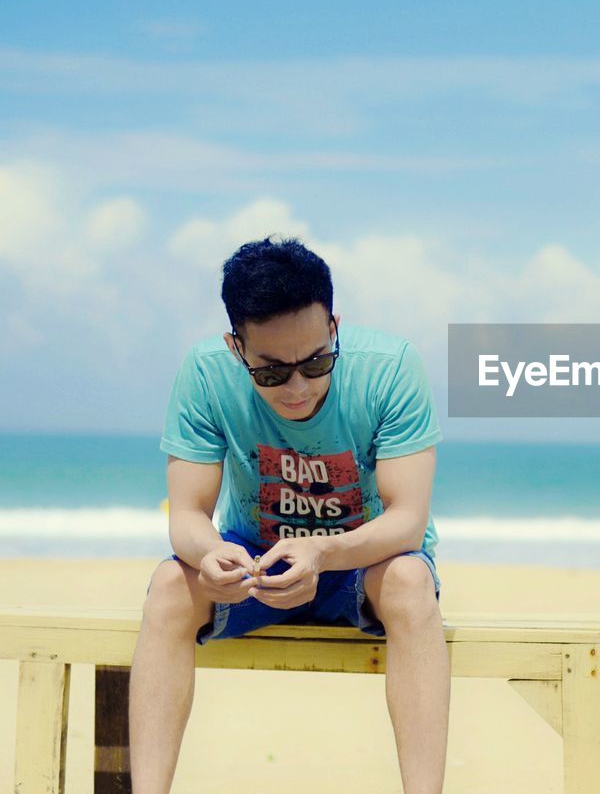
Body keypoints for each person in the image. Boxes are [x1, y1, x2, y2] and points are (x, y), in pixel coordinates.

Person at [130, 236, 449, 793]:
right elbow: (186, 516)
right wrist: (210, 556)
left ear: (334, 327)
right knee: (167, 586)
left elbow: (408, 522)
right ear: (237, 348)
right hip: (254, 562)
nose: (299, 388)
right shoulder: (206, 374)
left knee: (411, 580)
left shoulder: (390, 368)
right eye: (272, 372)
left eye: (317, 362)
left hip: (361, 560)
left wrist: (324, 552)